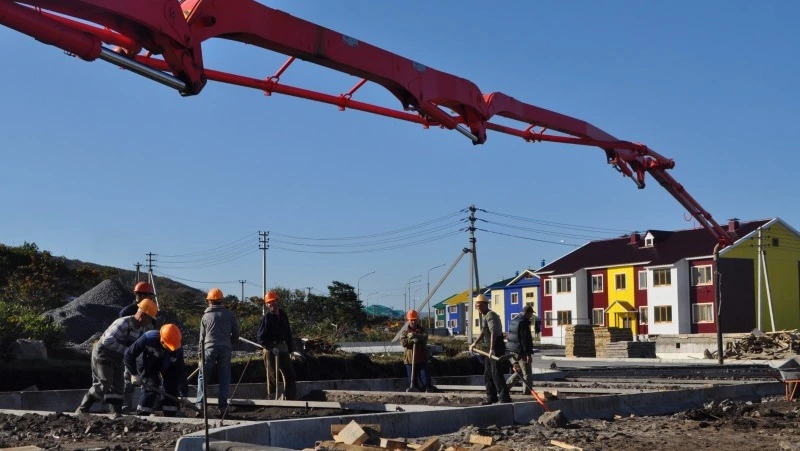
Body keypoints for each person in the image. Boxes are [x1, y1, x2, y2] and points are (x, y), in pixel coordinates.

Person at [75, 298, 158, 417]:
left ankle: (116, 414)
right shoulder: (123, 323)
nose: (149, 322)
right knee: (104, 383)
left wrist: (131, 371)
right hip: (103, 354)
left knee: (118, 387)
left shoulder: (140, 330)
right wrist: (127, 352)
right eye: (149, 319)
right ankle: (82, 410)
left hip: (118, 358)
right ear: (142, 315)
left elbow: (133, 352)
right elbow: (108, 341)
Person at [124, 323, 186, 417]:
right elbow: (129, 354)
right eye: (169, 347)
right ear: (162, 341)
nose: (171, 349)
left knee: (171, 385)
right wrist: (134, 374)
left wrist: (183, 394)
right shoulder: (149, 338)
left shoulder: (177, 349)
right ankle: (143, 414)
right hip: (148, 363)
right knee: (151, 385)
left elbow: (180, 372)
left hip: (167, 364)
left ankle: (170, 414)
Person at [195, 288, 240, 417]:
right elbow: (236, 335)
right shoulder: (229, 315)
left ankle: (200, 406)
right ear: (221, 300)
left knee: (203, 377)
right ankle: (223, 407)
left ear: (210, 301)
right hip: (225, 348)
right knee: (224, 378)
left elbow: (201, 339)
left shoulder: (205, 316)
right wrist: (228, 341)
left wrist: (200, 356)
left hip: (209, 348)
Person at [120, 281, 157, 412]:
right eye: (150, 295)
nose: (151, 298)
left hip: (145, 352)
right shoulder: (127, 312)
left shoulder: (151, 310)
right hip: (130, 351)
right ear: (142, 295)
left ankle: (144, 408)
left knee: (146, 380)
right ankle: (125, 408)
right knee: (128, 379)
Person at [469, 294, 511, 405]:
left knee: (496, 372)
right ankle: (491, 397)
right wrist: (474, 343)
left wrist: (492, 349)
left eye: (478, 306)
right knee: (487, 373)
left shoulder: (491, 315)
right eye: (476, 306)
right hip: (490, 347)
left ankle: (505, 397)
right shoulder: (485, 316)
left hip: (496, 346)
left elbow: (493, 332)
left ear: (485, 304)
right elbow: (483, 332)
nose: (477, 308)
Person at [257, 290, 297, 400]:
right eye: (269, 302)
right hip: (271, 349)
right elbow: (260, 338)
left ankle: (291, 398)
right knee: (272, 375)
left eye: (273, 301)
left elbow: (288, 333)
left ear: (277, 301)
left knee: (290, 374)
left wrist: (291, 350)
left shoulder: (283, 315)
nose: (272, 304)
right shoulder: (266, 318)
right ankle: (272, 398)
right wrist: (270, 347)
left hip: (283, 347)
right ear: (267, 304)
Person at [400, 309, 440, 392]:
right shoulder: (404, 332)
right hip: (410, 360)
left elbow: (424, 337)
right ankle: (416, 392)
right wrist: (411, 340)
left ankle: (428, 389)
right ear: (408, 320)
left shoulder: (422, 330)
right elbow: (403, 343)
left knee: (426, 379)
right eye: (411, 320)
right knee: (413, 381)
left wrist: (415, 335)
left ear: (417, 319)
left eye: (415, 320)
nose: (413, 322)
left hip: (422, 359)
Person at [505, 305, 535, 393]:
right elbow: (524, 340)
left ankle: (505, 387)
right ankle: (527, 392)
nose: (531, 316)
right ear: (527, 313)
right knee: (527, 373)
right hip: (521, 351)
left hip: (513, 351)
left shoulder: (514, 321)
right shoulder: (524, 323)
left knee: (519, 372)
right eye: (531, 314)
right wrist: (528, 354)